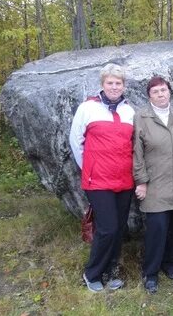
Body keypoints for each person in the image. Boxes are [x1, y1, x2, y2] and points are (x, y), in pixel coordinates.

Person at [69, 63, 135, 293]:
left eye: (118, 83)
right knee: (106, 228)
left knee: (118, 228)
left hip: (124, 180)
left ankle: (110, 270)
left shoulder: (129, 111)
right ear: (102, 84)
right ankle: (92, 273)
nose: (114, 87)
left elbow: (133, 144)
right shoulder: (88, 108)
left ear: (124, 86)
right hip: (98, 181)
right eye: (110, 83)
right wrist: (90, 168)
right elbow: (75, 141)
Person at [133, 76, 173, 294]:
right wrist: (141, 181)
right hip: (155, 184)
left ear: (170, 92)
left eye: (164, 90)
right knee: (157, 230)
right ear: (149, 96)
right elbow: (137, 154)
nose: (160, 94)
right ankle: (151, 273)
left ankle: (170, 264)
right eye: (155, 91)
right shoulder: (142, 117)